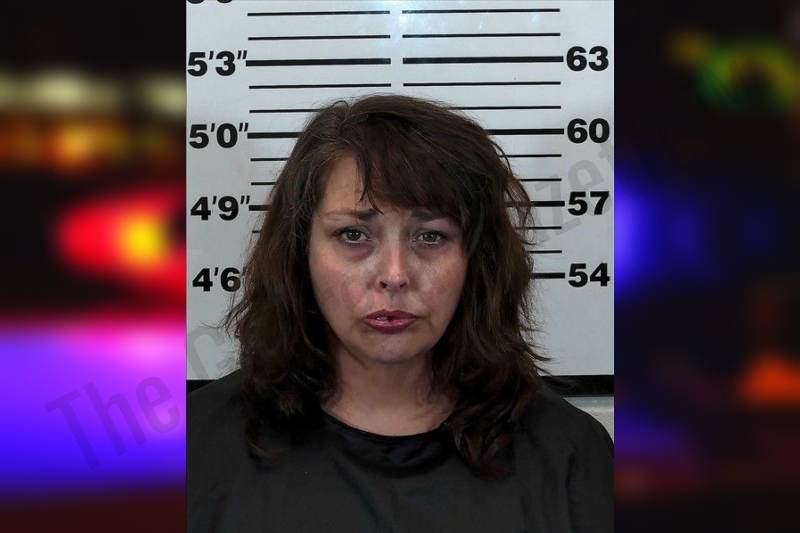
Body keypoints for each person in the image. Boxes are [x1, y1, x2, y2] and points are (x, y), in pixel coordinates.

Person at [187, 93, 613, 532]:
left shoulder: (570, 455)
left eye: (430, 236)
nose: (394, 275)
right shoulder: (192, 448)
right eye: (354, 234)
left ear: (477, 260)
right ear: (300, 252)